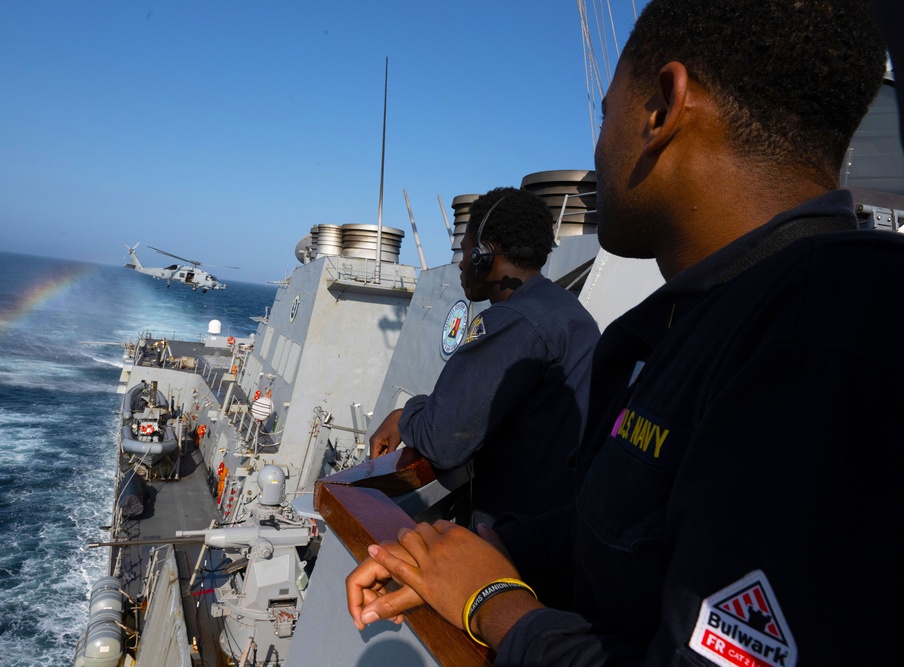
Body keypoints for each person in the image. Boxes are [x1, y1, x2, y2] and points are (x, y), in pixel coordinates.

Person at [346, 1, 903, 665]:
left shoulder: (819, 347)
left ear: (662, 108)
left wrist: (491, 599)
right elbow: (616, 531)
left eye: (606, 111)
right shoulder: (702, 318)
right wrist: (495, 549)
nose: (596, 145)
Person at [368, 186, 599, 523]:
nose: (462, 264)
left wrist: (405, 417)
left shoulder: (512, 323)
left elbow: (443, 439)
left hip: (516, 539)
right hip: (561, 523)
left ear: (484, 254)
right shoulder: (566, 310)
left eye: (465, 251)